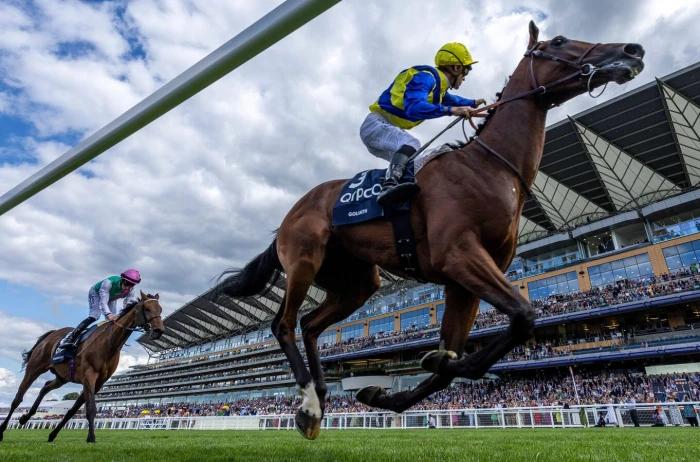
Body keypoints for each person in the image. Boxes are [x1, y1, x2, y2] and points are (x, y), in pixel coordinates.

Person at [361, 42, 486, 205]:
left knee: (416, 164)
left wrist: (473, 102)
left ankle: (399, 198)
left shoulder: (438, 88)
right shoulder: (426, 77)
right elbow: (414, 108)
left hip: (382, 130)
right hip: (376, 125)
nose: (464, 78)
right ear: (456, 67)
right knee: (412, 143)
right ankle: (388, 187)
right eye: (465, 72)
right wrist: (452, 111)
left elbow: (453, 99)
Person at [60, 269, 141, 348]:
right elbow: (103, 302)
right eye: (127, 283)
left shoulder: (131, 290)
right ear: (122, 279)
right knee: (95, 315)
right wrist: (109, 314)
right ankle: (70, 337)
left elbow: (127, 305)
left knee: (115, 321)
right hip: (96, 294)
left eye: (132, 285)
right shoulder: (108, 283)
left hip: (111, 298)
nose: (128, 287)